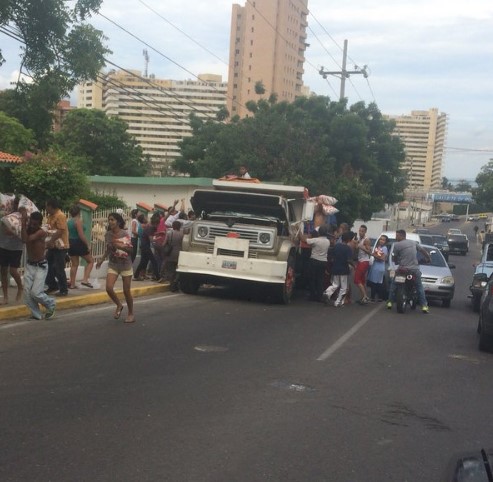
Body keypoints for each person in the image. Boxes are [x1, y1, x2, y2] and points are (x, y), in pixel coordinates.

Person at [96, 212, 135, 323]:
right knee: (108, 287)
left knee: (126, 291)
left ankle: (131, 313)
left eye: (112, 220)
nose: (110, 222)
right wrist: (102, 259)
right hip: (113, 264)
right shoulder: (108, 234)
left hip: (125, 265)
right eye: (109, 220)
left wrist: (121, 247)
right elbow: (108, 249)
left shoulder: (124, 234)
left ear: (118, 221)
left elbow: (131, 250)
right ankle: (119, 305)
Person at [21, 211, 56, 320]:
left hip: (41, 266)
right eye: (31, 223)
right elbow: (23, 239)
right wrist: (24, 224)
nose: (32, 225)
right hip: (30, 265)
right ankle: (36, 314)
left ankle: (50, 304)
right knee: (27, 293)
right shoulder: (27, 231)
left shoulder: (41, 232)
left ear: (40, 224)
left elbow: (27, 239)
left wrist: (23, 223)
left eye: (35, 224)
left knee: (35, 292)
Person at [386, 229, 431, 314]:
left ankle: (390, 302)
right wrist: (428, 258)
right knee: (419, 287)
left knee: (394, 284)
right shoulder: (413, 243)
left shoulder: (396, 245)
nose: (396, 237)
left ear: (402, 236)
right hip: (414, 270)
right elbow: (423, 251)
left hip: (402, 270)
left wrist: (396, 261)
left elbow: (394, 257)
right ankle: (424, 306)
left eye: (397, 236)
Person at [0, 197, 23, 304]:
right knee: (3, 271)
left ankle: (20, 287)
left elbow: (13, 232)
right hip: (3, 245)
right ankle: (5, 297)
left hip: (16, 248)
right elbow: (4, 231)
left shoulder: (22, 218)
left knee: (13, 271)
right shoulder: (6, 215)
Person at [322, 231, 355, 307]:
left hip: (335, 268)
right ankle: (338, 302)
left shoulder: (336, 246)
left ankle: (327, 293)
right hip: (343, 269)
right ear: (349, 240)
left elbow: (331, 256)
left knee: (335, 284)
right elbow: (349, 260)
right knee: (344, 287)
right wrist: (353, 265)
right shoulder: (348, 249)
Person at [300, 225, 331, 302]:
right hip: (323, 262)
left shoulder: (316, 240)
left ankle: (312, 295)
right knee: (320, 280)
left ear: (319, 232)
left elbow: (304, 239)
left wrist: (299, 231)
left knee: (312, 279)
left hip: (314, 261)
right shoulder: (328, 241)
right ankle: (319, 296)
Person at [45, 199, 69, 296]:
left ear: (51, 206)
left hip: (61, 246)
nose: (46, 208)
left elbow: (60, 231)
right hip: (53, 245)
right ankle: (52, 285)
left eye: (47, 206)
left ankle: (63, 289)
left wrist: (50, 240)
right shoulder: (50, 216)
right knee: (47, 265)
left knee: (59, 268)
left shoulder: (60, 216)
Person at [67, 205, 94, 289]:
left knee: (74, 264)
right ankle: (85, 280)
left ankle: (72, 283)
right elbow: (81, 235)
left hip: (70, 242)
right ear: (79, 212)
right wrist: (87, 244)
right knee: (90, 261)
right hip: (78, 242)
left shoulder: (68, 221)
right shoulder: (78, 221)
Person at [133, 212, 160, 281]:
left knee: (143, 262)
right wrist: (157, 239)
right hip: (146, 246)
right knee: (154, 261)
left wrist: (159, 233)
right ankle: (158, 277)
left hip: (143, 246)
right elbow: (151, 239)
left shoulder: (149, 226)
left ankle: (136, 275)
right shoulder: (150, 227)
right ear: (156, 223)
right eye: (158, 224)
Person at [161, 220, 184, 291]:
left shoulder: (169, 233)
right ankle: (176, 282)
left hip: (170, 254)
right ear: (179, 226)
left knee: (171, 270)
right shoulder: (182, 234)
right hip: (179, 254)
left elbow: (164, 244)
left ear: (173, 226)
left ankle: (172, 285)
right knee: (178, 270)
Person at [367, 234, 389, 302]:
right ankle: (378, 297)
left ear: (386, 241)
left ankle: (374, 297)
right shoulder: (378, 247)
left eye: (383, 240)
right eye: (381, 239)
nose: (381, 241)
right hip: (375, 266)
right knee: (377, 283)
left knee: (376, 283)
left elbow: (382, 258)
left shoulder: (384, 248)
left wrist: (373, 255)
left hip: (379, 267)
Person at [354, 224, 372, 304]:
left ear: (365, 232)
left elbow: (369, 252)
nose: (360, 232)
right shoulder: (359, 239)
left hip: (364, 261)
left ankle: (365, 296)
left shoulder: (366, 240)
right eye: (359, 230)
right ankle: (363, 297)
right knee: (361, 280)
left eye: (362, 231)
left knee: (357, 279)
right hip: (360, 260)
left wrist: (361, 247)